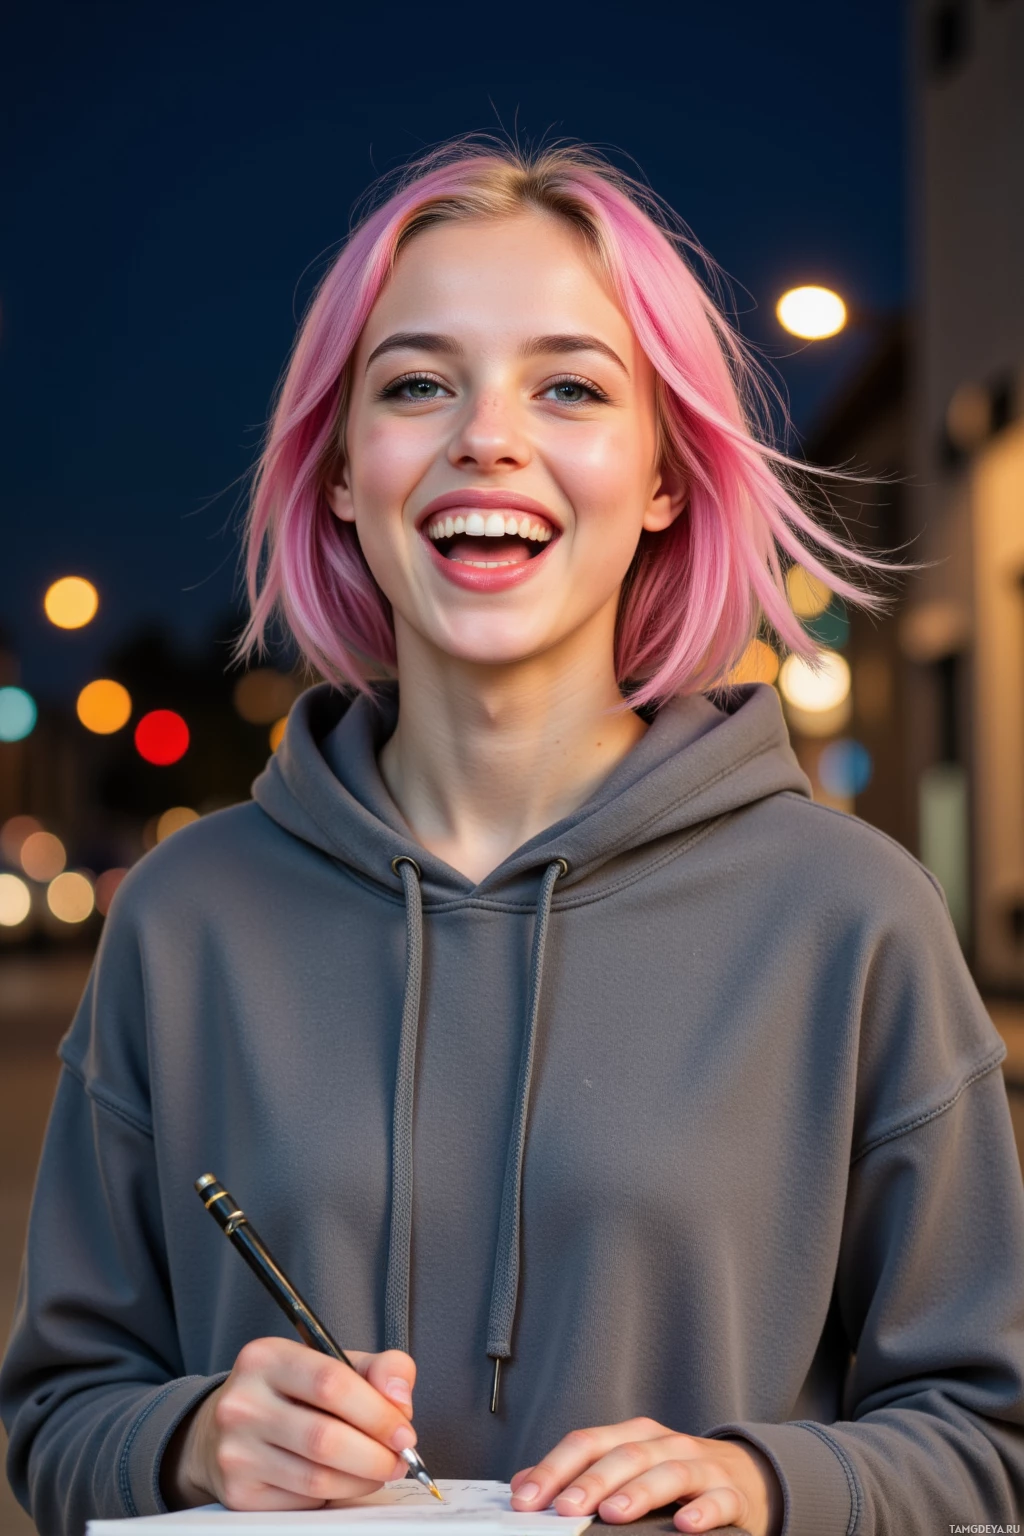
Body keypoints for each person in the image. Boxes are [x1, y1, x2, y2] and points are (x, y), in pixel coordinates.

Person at [3, 136, 1023, 1536]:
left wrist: (768, 1482)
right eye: (417, 385)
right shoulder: (184, 917)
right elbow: (59, 1421)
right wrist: (191, 1443)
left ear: (664, 476)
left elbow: (989, 1443)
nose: (487, 436)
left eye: (571, 388)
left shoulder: (853, 916)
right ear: (341, 472)